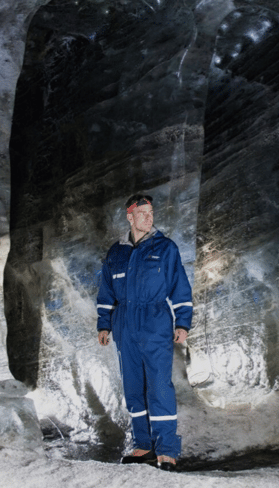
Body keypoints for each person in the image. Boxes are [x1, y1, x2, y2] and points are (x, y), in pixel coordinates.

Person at [96, 194, 193, 471]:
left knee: (160, 385)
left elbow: (180, 288)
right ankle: (143, 444)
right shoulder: (116, 252)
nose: (148, 218)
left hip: (155, 322)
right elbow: (106, 292)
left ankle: (166, 449)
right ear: (129, 216)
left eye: (151, 213)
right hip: (124, 324)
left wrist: (182, 322)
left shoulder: (165, 248)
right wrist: (104, 323)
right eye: (142, 213)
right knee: (133, 386)